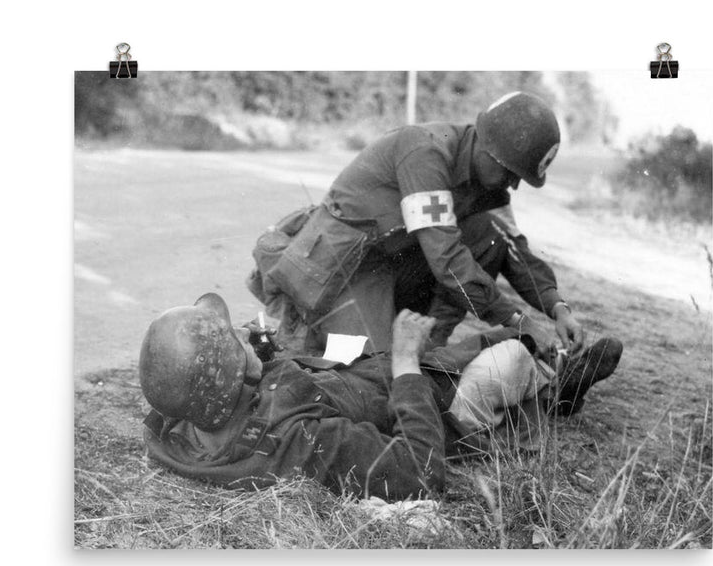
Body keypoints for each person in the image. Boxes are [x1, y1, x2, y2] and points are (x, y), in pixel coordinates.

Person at [139, 293, 622, 500]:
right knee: (510, 356)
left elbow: (195, 375)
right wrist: (408, 365)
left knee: (485, 339)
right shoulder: (302, 443)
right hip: (430, 412)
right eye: (235, 345)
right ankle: (558, 394)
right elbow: (420, 470)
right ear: (229, 375)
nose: (243, 339)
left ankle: (551, 370)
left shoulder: (185, 421)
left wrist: (256, 352)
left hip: (366, 376)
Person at [248, 90, 583, 358]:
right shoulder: (426, 154)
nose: (514, 185)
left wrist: (557, 308)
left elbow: (513, 249)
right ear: (488, 148)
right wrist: (518, 321)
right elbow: (447, 260)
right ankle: (290, 344)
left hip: (391, 265)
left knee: (489, 236)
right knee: (364, 372)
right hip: (342, 270)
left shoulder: (485, 182)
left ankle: (430, 351)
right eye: (512, 172)